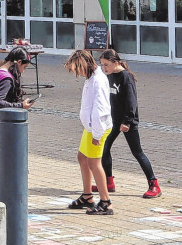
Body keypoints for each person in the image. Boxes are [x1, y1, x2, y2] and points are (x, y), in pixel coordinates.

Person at [99, 50, 161, 199]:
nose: (104, 68)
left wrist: (127, 121)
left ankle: (154, 184)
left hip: (127, 121)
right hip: (113, 120)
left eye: (106, 65)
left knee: (137, 152)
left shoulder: (125, 77)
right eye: (102, 65)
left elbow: (131, 102)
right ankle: (108, 182)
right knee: (104, 148)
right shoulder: (110, 76)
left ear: (115, 63)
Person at [65, 50, 113, 215]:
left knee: (94, 163)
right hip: (91, 127)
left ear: (84, 64)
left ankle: (106, 202)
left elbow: (101, 108)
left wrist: (97, 135)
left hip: (98, 127)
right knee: (82, 157)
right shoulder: (91, 77)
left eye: (77, 69)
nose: (77, 73)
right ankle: (87, 196)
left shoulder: (98, 80)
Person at [0, 47, 35, 151]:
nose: (23, 71)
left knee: (5, 162)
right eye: (24, 67)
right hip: (0, 124)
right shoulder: (6, 78)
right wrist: (21, 106)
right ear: (19, 62)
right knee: (14, 160)